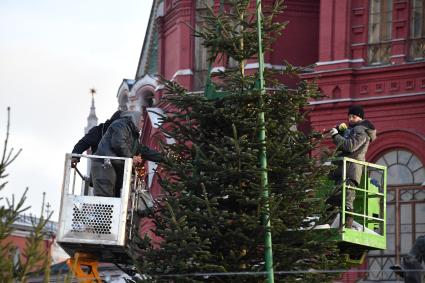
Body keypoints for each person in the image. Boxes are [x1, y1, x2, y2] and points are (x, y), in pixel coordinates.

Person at [90, 110, 163, 197]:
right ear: (135, 119)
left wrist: (163, 158)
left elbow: (144, 150)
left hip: (112, 168)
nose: (143, 124)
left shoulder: (133, 135)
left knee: (114, 201)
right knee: (104, 199)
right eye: (142, 121)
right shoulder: (121, 125)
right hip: (104, 166)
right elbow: (118, 143)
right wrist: (131, 158)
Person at [327, 105, 377, 228]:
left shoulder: (361, 130)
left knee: (346, 200)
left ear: (360, 118)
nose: (350, 119)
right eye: (349, 116)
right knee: (334, 199)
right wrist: (341, 132)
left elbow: (349, 147)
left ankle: (346, 228)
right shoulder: (354, 129)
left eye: (353, 116)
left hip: (351, 170)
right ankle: (329, 225)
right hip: (345, 169)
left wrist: (336, 136)